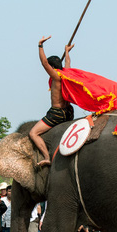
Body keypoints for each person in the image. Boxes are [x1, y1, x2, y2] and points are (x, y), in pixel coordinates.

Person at [30, 36, 75, 167]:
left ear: (51, 68)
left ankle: (46, 157)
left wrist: (40, 45)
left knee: (33, 133)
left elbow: (44, 62)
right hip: (69, 112)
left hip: (57, 113)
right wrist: (67, 52)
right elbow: (68, 64)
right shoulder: (67, 74)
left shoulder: (56, 77)